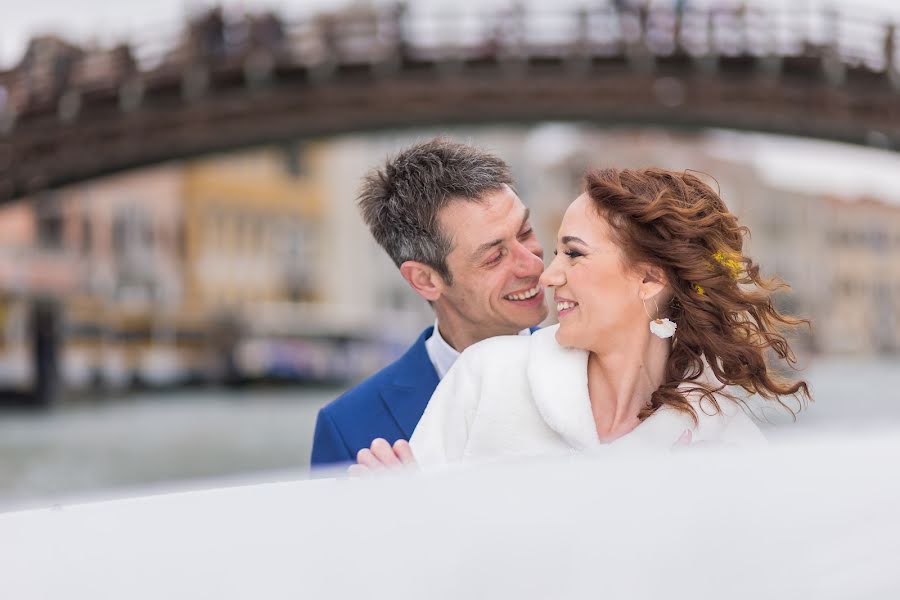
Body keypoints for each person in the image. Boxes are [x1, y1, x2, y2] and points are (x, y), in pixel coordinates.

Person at [352, 167, 810, 471]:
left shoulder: (728, 446)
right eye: (555, 252)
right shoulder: (486, 377)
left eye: (573, 254)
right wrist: (399, 509)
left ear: (650, 280)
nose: (547, 275)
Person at [311, 138, 549, 468]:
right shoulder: (348, 428)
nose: (534, 265)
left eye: (525, 232)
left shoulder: (596, 369)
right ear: (426, 280)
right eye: (495, 256)